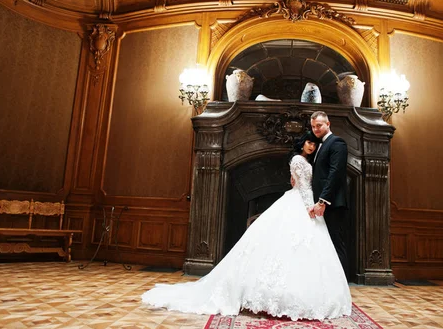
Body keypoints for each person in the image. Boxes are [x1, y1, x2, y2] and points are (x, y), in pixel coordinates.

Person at [142, 131, 352, 321]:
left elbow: (301, 183)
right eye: (309, 142)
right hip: (301, 203)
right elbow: (304, 187)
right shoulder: (298, 160)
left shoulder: (306, 160)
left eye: (314, 144)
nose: (312, 146)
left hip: (302, 201)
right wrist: (310, 207)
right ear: (301, 143)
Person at [309, 111, 349, 277]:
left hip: (332, 203)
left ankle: (342, 285)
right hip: (322, 203)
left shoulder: (337, 143)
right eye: (313, 126)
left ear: (328, 124)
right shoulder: (321, 144)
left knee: (335, 243)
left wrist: (323, 201)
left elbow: (335, 173)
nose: (316, 129)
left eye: (319, 125)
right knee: (326, 243)